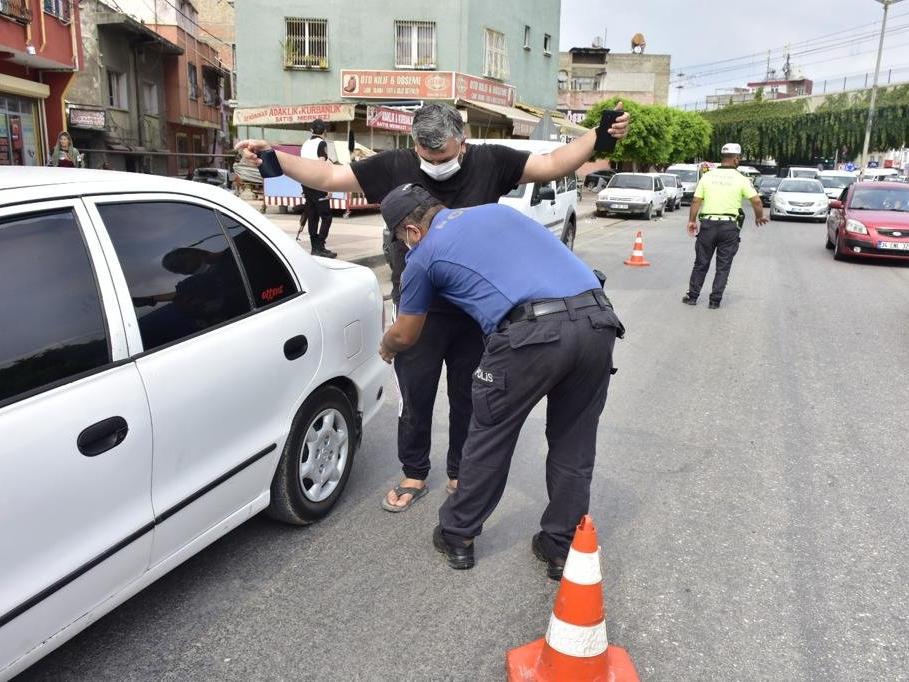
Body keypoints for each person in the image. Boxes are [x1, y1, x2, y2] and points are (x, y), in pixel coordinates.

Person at [235, 102, 629, 513]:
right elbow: (331, 175)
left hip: (476, 312)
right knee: (415, 396)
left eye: (445, 157)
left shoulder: (490, 161)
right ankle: (414, 471)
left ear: (463, 140)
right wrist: (276, 158)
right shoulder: (395, 165)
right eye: (427, 157)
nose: (436, 165)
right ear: (415, 144)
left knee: (469, 396)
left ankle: (460, 470)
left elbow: (550, 164)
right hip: (417, 308)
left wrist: (596, 138)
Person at [377, 183, 624, 577]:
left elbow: (407, 334)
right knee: (575, 442)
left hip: (530, 334)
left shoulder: (422, 256)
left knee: (490, 436)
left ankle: (458, 536)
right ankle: (560, 547)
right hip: (598, 321)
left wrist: (387, 346)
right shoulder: (498, 212)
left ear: (410, 232)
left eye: (402, 240)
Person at [682, 143, 768, 309]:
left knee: (701, 263)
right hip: (729, 228)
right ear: (736, 158)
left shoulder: (707, 177)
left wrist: (692, 221)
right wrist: (759, 217)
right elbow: (756, 200)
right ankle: (715, 301)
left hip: (708, 225)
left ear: (723, 157)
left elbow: (696, 200)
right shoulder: (742, 179)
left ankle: (692, 296)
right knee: (723, 266)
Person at [297, 119, 337, 258]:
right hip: (317, 183)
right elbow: (321, 165)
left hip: (305, 183)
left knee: (312, 216)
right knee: (326, 217)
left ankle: (315, 248)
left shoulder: (305, 144)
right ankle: (320, 246)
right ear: (324, 131)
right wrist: (327, 187)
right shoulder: (322, 143)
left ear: (311, 130)